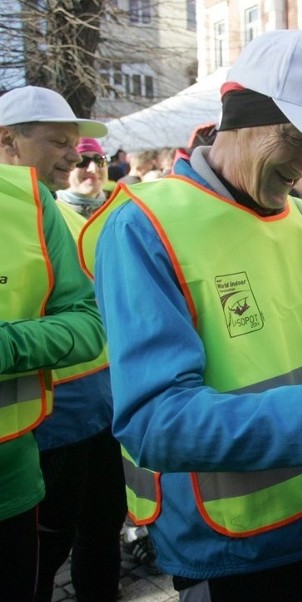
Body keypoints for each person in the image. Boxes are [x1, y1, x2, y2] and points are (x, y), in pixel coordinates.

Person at [78, 30, 302, 600]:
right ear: (239, 118)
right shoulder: (143, 226)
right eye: (298, 138)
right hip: (238, 554)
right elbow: (154, 422)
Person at [0, 85, 106, 600]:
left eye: (78, 144)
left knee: (86, 536)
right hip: (53, 427)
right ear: (8, 142)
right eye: (58, 141)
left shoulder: (43, 209)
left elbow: (87, 322)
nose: (75, 155)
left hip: (49, 439)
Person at [34, 136, 128, 601]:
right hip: (59, 412)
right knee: (49, 545)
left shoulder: (115, 214)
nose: (88, 167)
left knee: (104, 527)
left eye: (97, 159)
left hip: (110, 401)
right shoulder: (43, 215)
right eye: (80, 159)